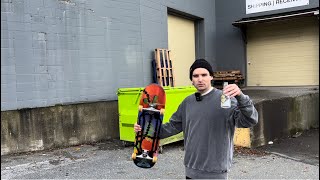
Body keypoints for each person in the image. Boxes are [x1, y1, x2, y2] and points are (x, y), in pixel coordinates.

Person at [134, 59, 258, 179]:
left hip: (216, 171)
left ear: (211, 77)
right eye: (195, 76)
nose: (200, 79)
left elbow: (250, 120)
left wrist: (241, 97)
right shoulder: (187, 102)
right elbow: (171, 127)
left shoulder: (225, 99)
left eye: (204, 75)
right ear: (192, 80)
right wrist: (145, 130)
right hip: (191, 168)